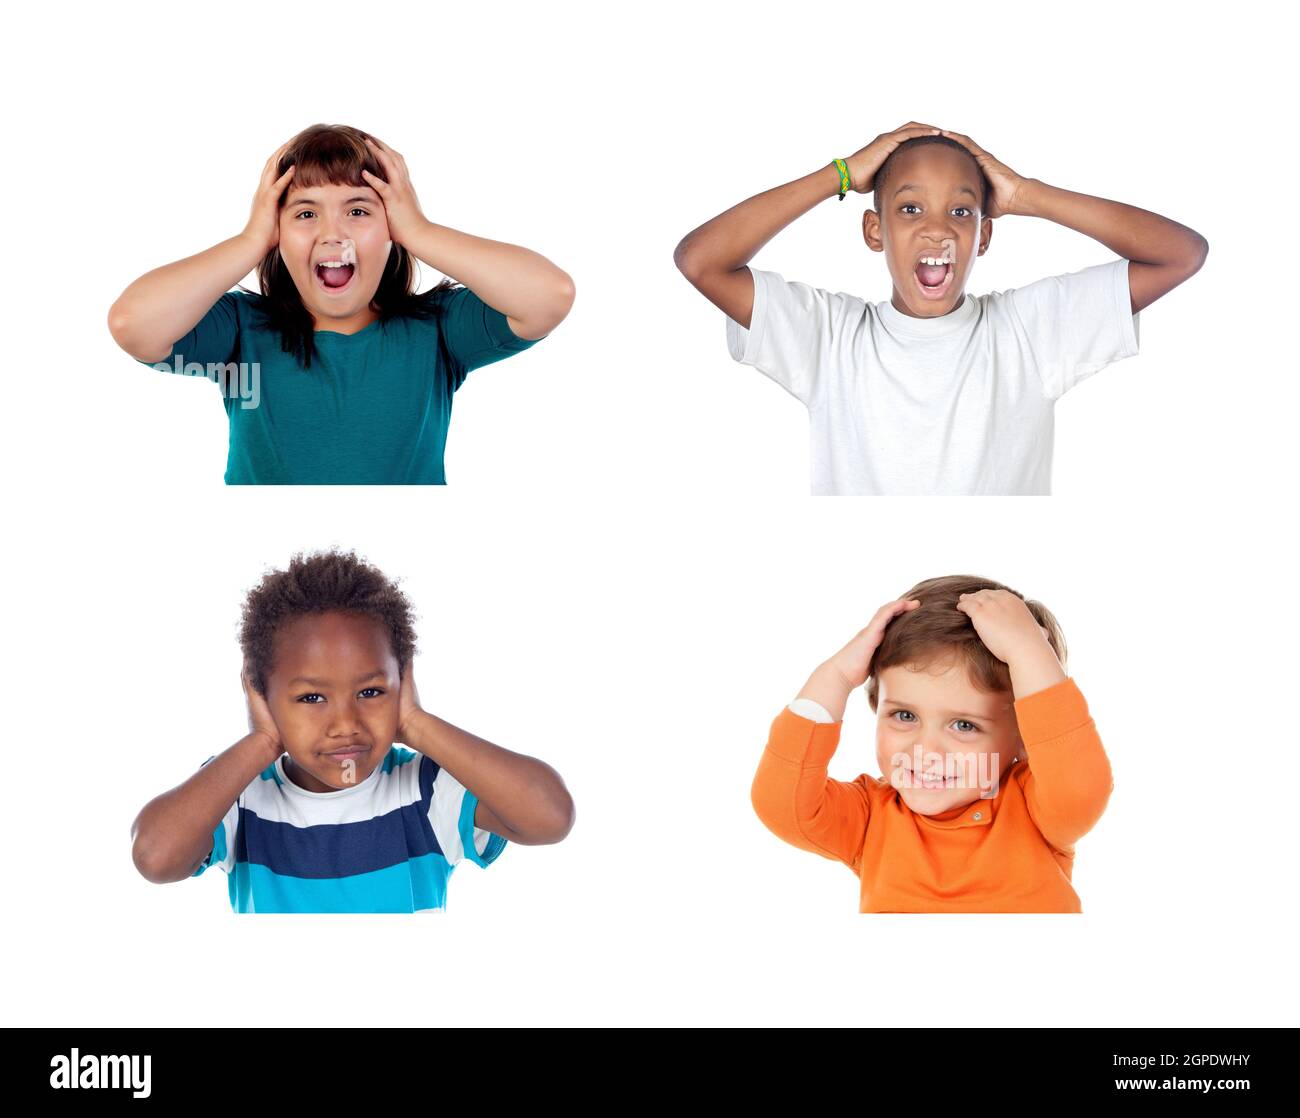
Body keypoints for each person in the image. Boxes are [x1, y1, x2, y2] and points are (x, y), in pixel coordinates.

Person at [674, 121, 1208, 494]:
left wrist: (1026, 194)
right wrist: (839, 174)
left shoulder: (1030, 331)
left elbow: (1180, 254)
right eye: (909, 208)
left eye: (961, 210)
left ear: (984, 235)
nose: (937, 228)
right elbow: (702, 261)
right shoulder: (830, 338)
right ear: (874, 230)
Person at [108, 124, 574, 483]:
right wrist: (251, 239)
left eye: (358, 211)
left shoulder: (437, 332)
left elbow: (549, 296)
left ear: (390, 227)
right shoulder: (240, 334)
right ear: (278, 231)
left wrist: (420, 231)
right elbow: (134, 324)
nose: (333, 233)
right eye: (306, 214)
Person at [130, 549, 575, 912]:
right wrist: (262, 741)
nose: (345, 725)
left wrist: (415, 723)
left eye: (370, 692)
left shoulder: (425, 790)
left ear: (403, 680)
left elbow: (550, 817)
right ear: (260, 694)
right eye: (311, 698)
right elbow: (155, 857)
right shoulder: (241, 794)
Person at [750, 576, 1111, 912]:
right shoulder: (871, 816)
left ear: (1024, 734)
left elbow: (1080, 786)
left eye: (964, 725)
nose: (927, 752)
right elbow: (781, 805)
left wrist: (1027, 651)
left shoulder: (1036, 809)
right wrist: (837, 675)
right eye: (905, 716)